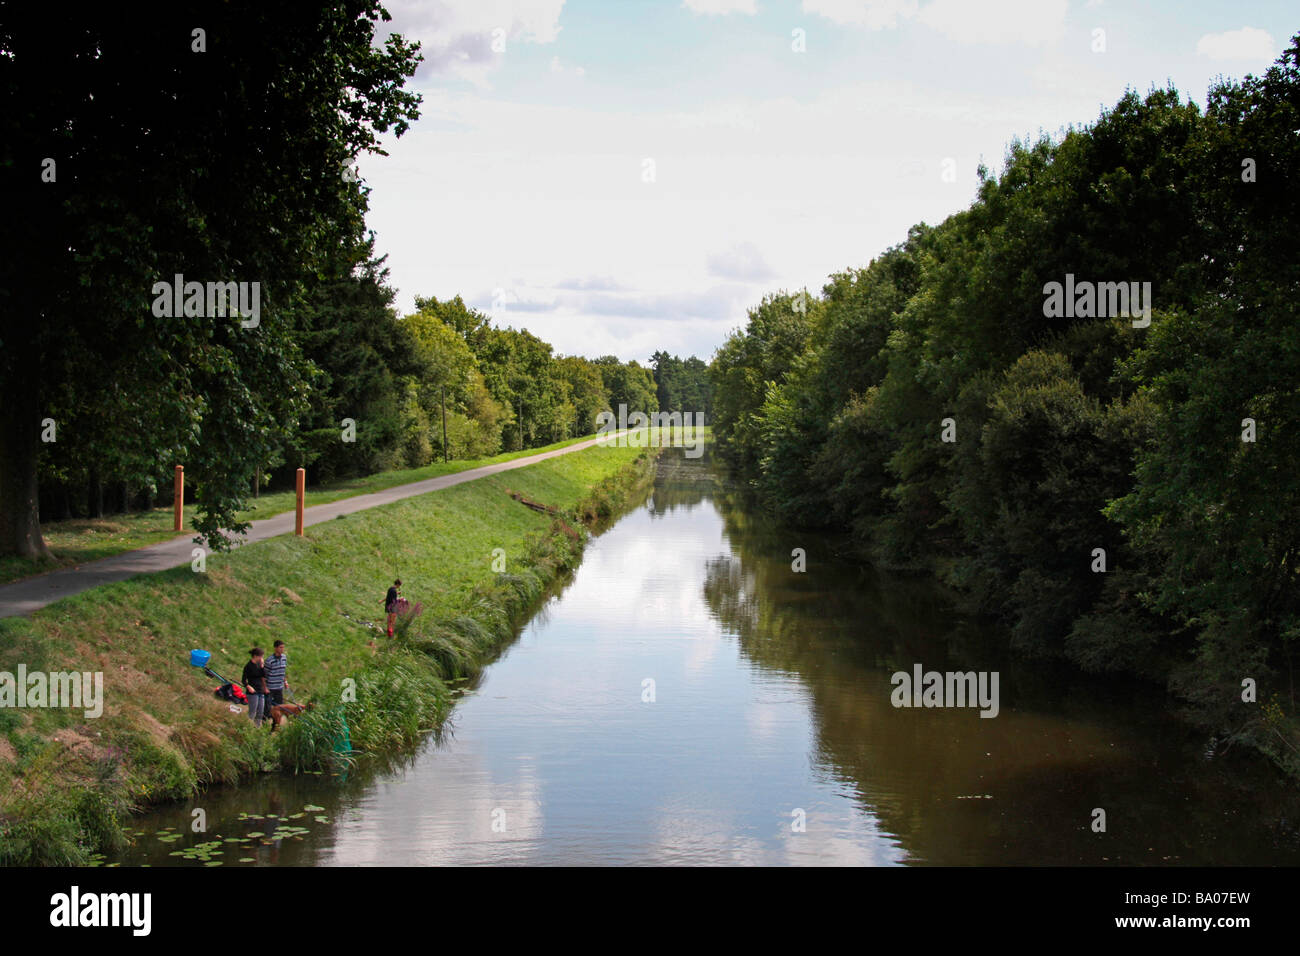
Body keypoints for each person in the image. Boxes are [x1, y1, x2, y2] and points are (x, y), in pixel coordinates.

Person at [242, 647, 268, 727]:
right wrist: (248, 687)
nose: (261, 658)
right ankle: (248, 727)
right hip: (252, 692)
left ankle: (257, 727)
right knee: (252, 712)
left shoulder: (259, 665)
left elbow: (264, 675)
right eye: (261, 656)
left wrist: (262, 666)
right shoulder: (248, 666)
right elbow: (243, 680)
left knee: (260, 712)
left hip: (260, 691)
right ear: (255, 656)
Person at [266, 639, 289, 708]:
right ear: (275, 648)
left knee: (279, 706)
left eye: (283, 647)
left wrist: (285, 681)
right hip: (271, 687)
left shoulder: (284, 658)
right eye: (280, 647)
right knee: (267, 705)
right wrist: (265, 687)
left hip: (279, 686)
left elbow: (283, 671)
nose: (282, 649)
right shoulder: (269, 660)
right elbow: (265, 674)